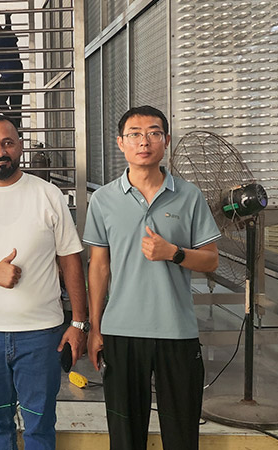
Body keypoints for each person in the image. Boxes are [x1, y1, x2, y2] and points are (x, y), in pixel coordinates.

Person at [0, 114, 88, 450]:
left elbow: (70, 260)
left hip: (41, 334)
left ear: (20, 146)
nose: (0, 152)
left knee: (40, 425)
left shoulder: (48, 195)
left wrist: (79, 323)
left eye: (7, 143)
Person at [83, 105, 221, 450]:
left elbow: (211, 261)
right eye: (134, 134)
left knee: (182, 435)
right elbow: (99, 267)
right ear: (121, 143)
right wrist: (95, 328)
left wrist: (174, 253)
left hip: (177, 330)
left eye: (153, 133)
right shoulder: (103, 200)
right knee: (125, 438)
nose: (144, 141)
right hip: (121, 332)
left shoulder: (189, 196)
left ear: (166, 140)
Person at [0, 15, 24, 129]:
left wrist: (8, 18)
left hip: (15, 73)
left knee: (15, 103)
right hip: (6, 75)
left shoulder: (7, 35)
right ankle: (11, 121)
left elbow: (8, 31)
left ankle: (16, 129)